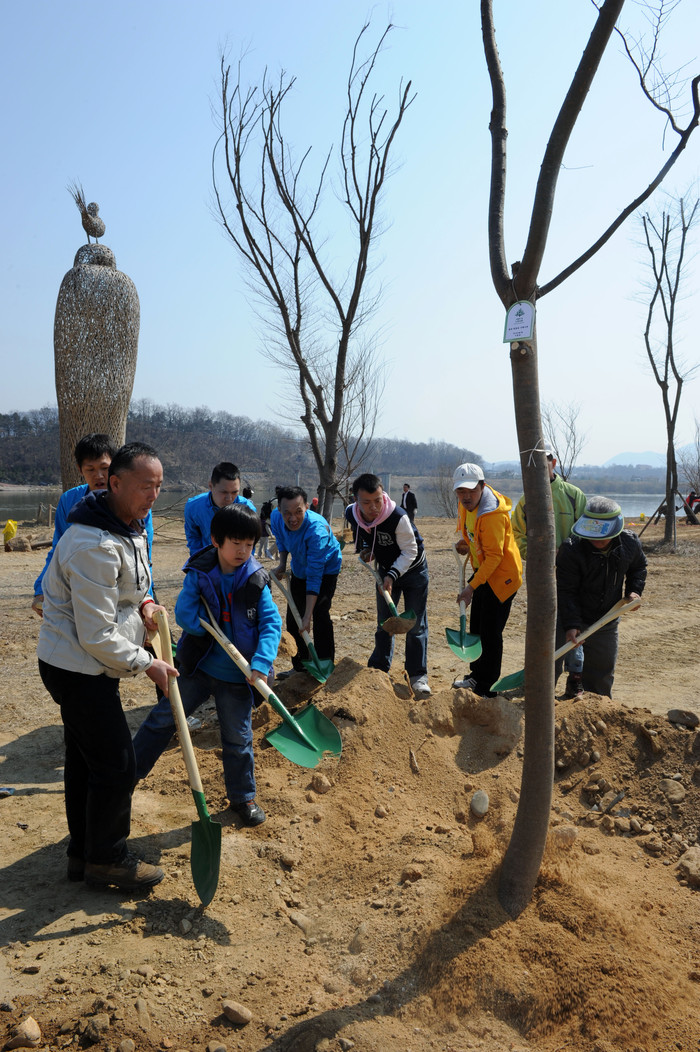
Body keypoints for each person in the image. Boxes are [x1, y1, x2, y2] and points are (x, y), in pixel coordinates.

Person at [37, 442, 176, 891]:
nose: (153, 495)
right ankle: (108, 859)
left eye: (158, 486)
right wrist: (148, 663)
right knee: (117, 765)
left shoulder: (126, 525)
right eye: (144, 486)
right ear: (114, 483)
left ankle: (83, 853)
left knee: (85, 761)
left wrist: (147, 604)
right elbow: (96, 634)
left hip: (88, 665)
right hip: (78, 669)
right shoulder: (92, 543)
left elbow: (131, 588)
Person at [133, 503, 282, 827]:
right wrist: (200, 623)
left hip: (239, 676)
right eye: (236, 543)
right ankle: (128, 774)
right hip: (198, 667)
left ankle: (243, 797)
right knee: (163, 719)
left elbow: (271, 624)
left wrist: (261, 661)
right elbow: (184, 615)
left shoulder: (256, 580)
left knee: (238, 738)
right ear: (216, 541)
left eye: (249, 544)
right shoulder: (200, 574)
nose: (243, 551)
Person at [32, 434, 156, 616]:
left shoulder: (134, 503)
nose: (98, 476)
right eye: (90, 469)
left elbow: (143, 556)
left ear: (116, 467)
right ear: (80, 469)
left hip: (126, 588)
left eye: (105, 468)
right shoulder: (69, 501)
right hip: (81, 585)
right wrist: (41, 589)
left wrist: (146, 600)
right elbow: (58, 550)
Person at [345, 473, 430, 696]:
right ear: (356, 500)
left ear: (383, 495)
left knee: (415, 624)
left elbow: (410, 551)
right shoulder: (351, 513)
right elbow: (364, 535)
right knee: (384, 622)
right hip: (385, 569)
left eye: (378, 500)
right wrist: (367, 550)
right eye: (366, 502)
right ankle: (379, 669)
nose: (374, 507)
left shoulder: (397, 517)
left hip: (413, 571)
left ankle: (417, 676)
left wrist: (392, 575)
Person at [511, 450, 587, 697]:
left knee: (575, 626)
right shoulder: (526, 501)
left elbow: (585, 533)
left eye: (542, 466)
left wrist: (568, 554)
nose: (537, 473)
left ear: (553, 464)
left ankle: (575, 679)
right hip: (542, 577)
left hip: (574, 577)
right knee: (546, 628)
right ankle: (543, 684)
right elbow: (517, 534)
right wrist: (538, 554)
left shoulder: (574, 496)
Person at [556, 496, 646, 698]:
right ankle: (543, 705)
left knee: (602, 671)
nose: (596, 539)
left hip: (607, 617)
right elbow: (566, 590)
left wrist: (634, 591)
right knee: (551, 666)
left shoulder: (629, 543)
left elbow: (638, 567)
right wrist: (571, 624)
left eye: (603, 535)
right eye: (592, 534)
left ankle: (598, 707)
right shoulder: (571, 549)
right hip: (570, 614)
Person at [451, 463, 522, 698]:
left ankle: (487, 686)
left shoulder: (492, 515)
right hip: (484, 570)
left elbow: (495, 557)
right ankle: (476, 675)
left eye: (471, 491)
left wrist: (471, 587)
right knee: (476, 627)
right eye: (461, 491)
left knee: (490, 633)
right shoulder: (467, 506)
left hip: (502, 577)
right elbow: (475, 535)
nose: (466, 497)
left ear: (482, 486)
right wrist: (467, 543)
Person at [269, 486, 343, 679]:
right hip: (299, 567)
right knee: (294, 618)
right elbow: (281, 540)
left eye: (298, 512)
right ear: (279, 510)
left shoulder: (317, 531)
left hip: (325, 569)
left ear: (307, 507)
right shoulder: (276, 517)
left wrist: (307, 615)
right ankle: (300, 666)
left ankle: (325, 664)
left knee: (319, 614)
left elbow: (315, 575)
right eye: (287, 513)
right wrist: (282, 564)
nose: (292, 518)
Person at [184, 461, 256, 555]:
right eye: (224, 492)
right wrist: (200, 560)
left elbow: (250, 542)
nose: (229, 498)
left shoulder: (247, 509)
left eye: (234, 492)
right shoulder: (193, 507)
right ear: (211, 486)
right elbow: (193, 537)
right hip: (207, 558)